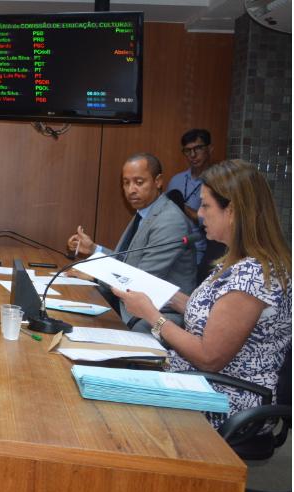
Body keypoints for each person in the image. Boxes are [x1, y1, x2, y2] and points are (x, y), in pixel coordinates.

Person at [114, 159, 291, 429]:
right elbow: (215, 315)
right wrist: (164, 294)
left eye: (206, 206)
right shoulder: (237, 262)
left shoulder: (253, 274)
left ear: (232, 211)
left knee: (115, 408)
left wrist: (152, 316)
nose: (198, 214)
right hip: (199, 384)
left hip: (226, 401)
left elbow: (209, 358)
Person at [67, 153, 197, 332]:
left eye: (139, 182)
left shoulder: (170, 220)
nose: (131, 190)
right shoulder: (146, 212)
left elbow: (140, 280)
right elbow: (128, 263)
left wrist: (95, 276)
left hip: (159, 315)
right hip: (131, 304)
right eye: (126, 183)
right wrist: (93, 249)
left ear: (158, 181)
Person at [167, 128, 215, 266]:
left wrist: (182, 207)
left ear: (210, 149)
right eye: (188, 150)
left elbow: (210, 221)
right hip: (173, 247)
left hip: (200, 252)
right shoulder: (176, 180)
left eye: (198, 148)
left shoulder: (216, 181)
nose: (193, 155)